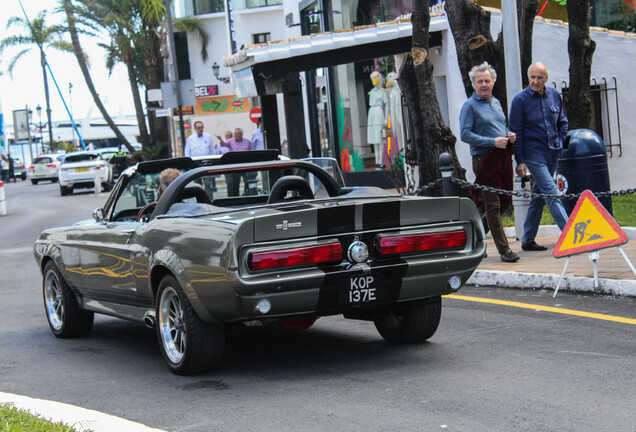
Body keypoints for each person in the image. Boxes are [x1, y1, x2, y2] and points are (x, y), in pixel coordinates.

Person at [460, 62, 520, 263]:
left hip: (501, 157)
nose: (483, 85)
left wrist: (507, 135)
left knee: (502, 203)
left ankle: (474, 240)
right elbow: (465, 134)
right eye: (479, 82)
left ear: (493, 82)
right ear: (473, 84)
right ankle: (504, 250)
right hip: (484, 159)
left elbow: (500, 127)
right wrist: (491, 141)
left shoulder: (496, 103)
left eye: (487, 81)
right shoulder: (470, 106)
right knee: (492, 204)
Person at [510, 62, 569, 252]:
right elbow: (516, 132)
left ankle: (527, 238)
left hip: (553, 151)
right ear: (528, 78)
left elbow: (562, 120)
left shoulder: (554, 95)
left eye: (540, 78)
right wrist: (519, 161)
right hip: (533, 155)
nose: (535, 81)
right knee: (552, 192)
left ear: (546, 78)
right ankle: (571, 236)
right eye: (533, 77)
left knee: (538, 196)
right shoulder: (520, 100)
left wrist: (560, 140)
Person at [221, 128, 252, 196]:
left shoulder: (247, 141)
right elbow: (223, 144)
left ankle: (247, 196)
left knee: (248, 182)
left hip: (246, 166)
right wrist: (220, 139)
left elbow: (251, 152)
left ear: (241, 134)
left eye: (236, 134)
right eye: (234, 134)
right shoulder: (230, 141)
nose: (235, 135)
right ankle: (236, 197)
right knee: (235, 183)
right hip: (235, 166)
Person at [367, 71, 388, 166]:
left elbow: (387, 104)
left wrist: (386, 118)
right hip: (372, 113)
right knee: (374, 138)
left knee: (380, 137)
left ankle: (381, 160)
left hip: (379, 112)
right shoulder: (372, 92)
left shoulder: (382, 92)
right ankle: (377, 160)